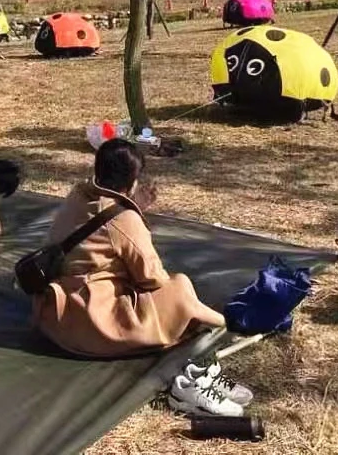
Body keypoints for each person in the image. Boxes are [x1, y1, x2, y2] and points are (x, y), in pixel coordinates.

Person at [33, 138, 225, 359]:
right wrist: (133, 215)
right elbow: (151, 278)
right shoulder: (123, 220)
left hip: (53, 315)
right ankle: (223, 322)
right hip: (88, 322)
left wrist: (132, 208)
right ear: (132, 182)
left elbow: (102, 226)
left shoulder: (79, 193)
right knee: (179, 287)